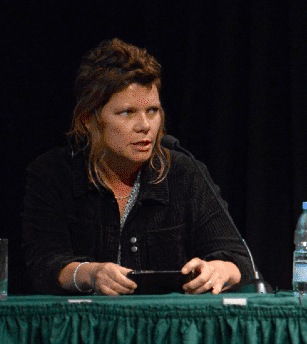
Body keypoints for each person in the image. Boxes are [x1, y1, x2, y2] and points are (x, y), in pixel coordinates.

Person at [22, 39, 252, 295]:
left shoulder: (184, 172)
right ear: (88, 119)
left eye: (152, 111)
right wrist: (91, 273)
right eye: (127, 112)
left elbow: (239, 260)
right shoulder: (53, 174)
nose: (145, 126)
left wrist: (219, 269)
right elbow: (44, 265)